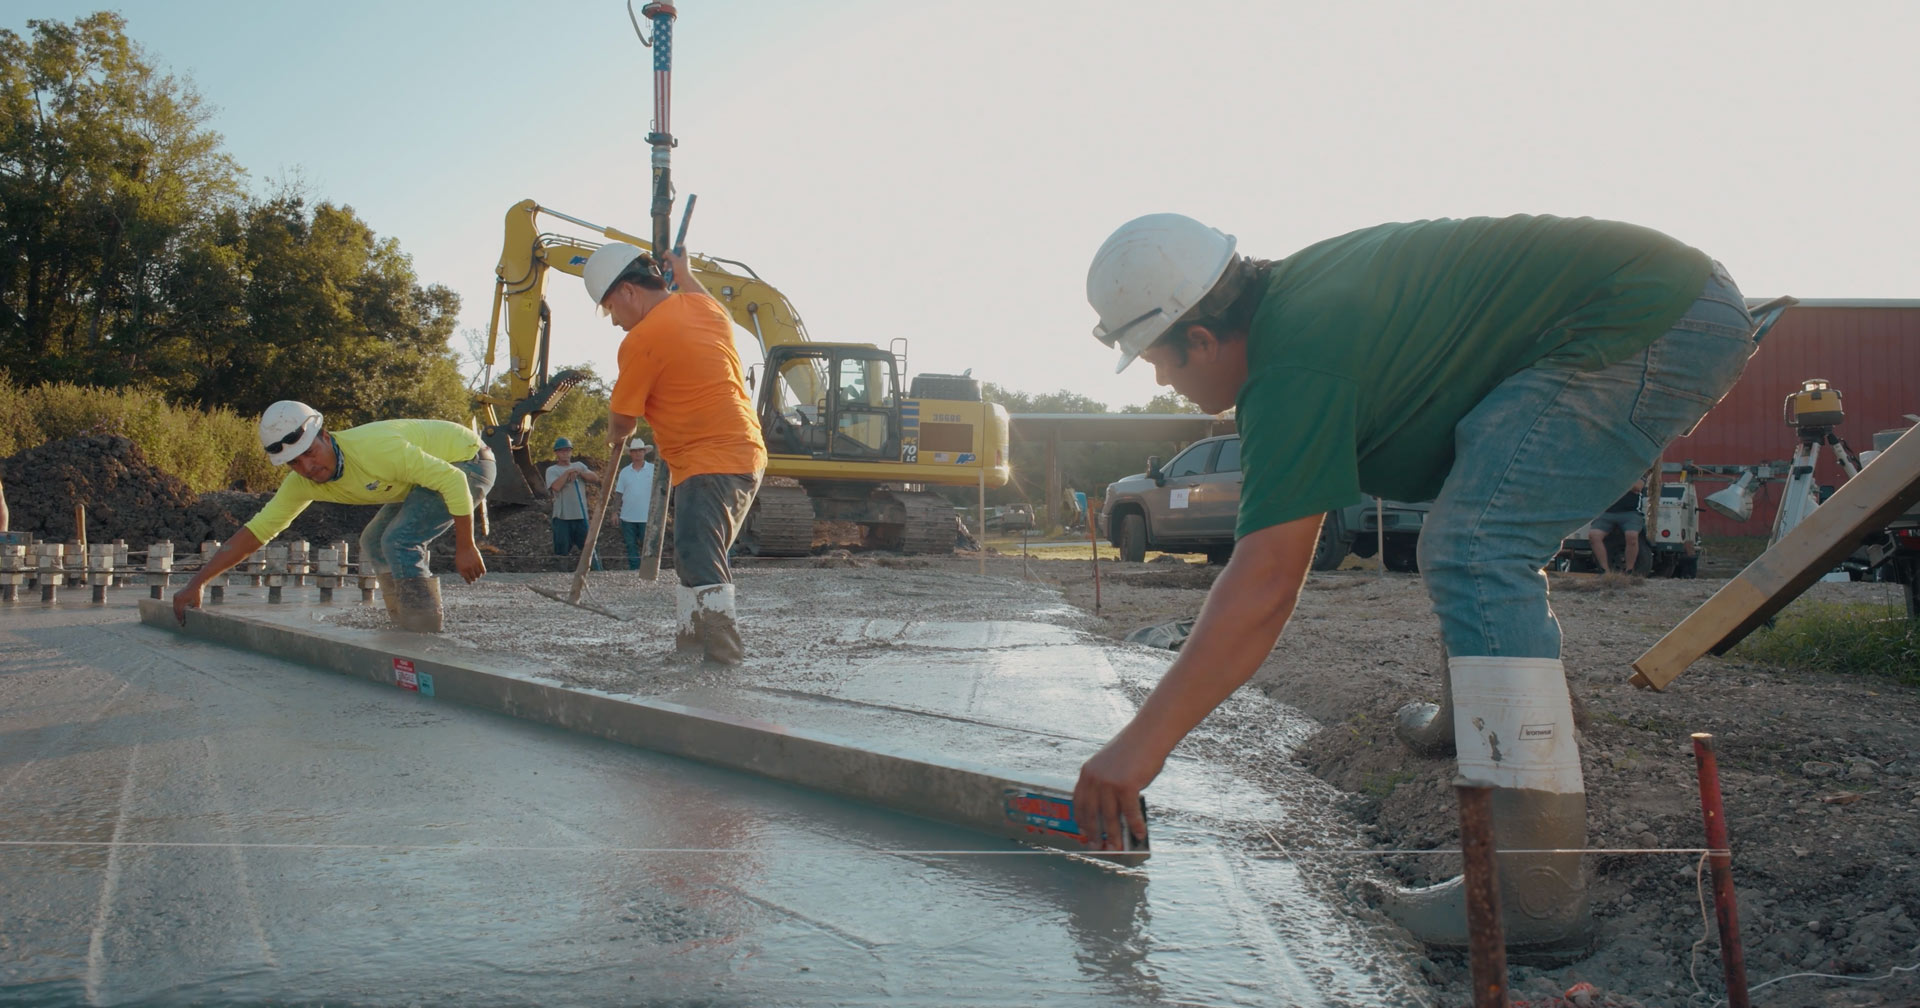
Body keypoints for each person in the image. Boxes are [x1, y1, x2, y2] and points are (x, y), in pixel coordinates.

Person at [1072, 213, 1757, 959]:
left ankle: (1531, 895)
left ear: (1200, 338)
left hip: (1655, 319)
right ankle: (1474, 714)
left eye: (1159, 364)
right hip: (1653, 299)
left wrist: (1136, 749)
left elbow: (1264, 585)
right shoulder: (1302, 307)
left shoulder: (1294, 362)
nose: (1167, 384)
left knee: (1477, 547)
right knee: (1470, 523)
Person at [583, 243, 767, 664]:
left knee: (700, 555)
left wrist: (614, 435)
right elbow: (700, 293)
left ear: (628, 291)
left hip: (710, 458)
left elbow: (623, 421)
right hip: (740, 453)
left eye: (611, 307)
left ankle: (723, 659)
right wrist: (683, 271)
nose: (614, 321)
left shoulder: (643, 339)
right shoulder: (707, 311)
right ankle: (691, 646)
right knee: (690, 553)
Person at [172, 401, 493, 631]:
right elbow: (257, 531)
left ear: (325, 436)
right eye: (294, 463)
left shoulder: (375, 450)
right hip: (422, 478)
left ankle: (422, 632)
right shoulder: (302, 483)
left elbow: (452, 480)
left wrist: (466, 545)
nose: (307, 468)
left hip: (467, 460)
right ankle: (405, 621)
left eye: (310, 453)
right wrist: (197, 583)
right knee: (374, 541)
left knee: (398, 540)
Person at [545, 437, 604, 571]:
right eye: (562, 451)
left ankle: (594, 570)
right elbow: (556, 487)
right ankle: (562, 572)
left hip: (580, 515)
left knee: (587, 546)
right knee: (562, 547)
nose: (565, 454)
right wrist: (567, 473)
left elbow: (594, 478)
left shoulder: (579, 466)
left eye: (567, 450)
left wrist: (579, 472)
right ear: (556, 453)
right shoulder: (552, 470)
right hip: (562, 516)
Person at [613, 437, 658, 570]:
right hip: (628, 516)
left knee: (648, 545)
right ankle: (634, 571)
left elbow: (660, 491)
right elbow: (618, 493)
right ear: (631, 453)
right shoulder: (624, 472)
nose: (638, 453)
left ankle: (649, 570)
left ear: (644, 452)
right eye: (635, 451)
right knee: (630, 545)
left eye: (640, 450)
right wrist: (615, 511)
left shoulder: (653, 469)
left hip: (647, 516)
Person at [1587, 477, 1647, 575]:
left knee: (1632, 536)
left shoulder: (1637, 469)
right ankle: (1605, 571)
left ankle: (1629, 570)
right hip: (1606, 511)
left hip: (1631, 512)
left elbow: (1637, 487)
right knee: (1594, 536)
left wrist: (1614, 479)